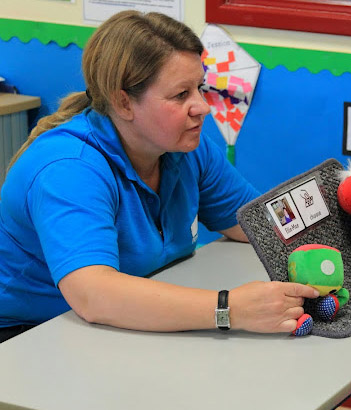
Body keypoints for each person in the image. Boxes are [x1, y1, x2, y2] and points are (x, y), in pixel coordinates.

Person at [0, 10, 319, 343]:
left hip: (117, 324)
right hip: (28, 336)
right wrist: (230, 308)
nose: (202, 107)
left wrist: (339, 220)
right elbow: (94, 296)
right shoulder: (68, 168)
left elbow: (259, 221)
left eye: (199, 87)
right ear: (123, 102)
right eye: (181, 95)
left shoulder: (185, 146)